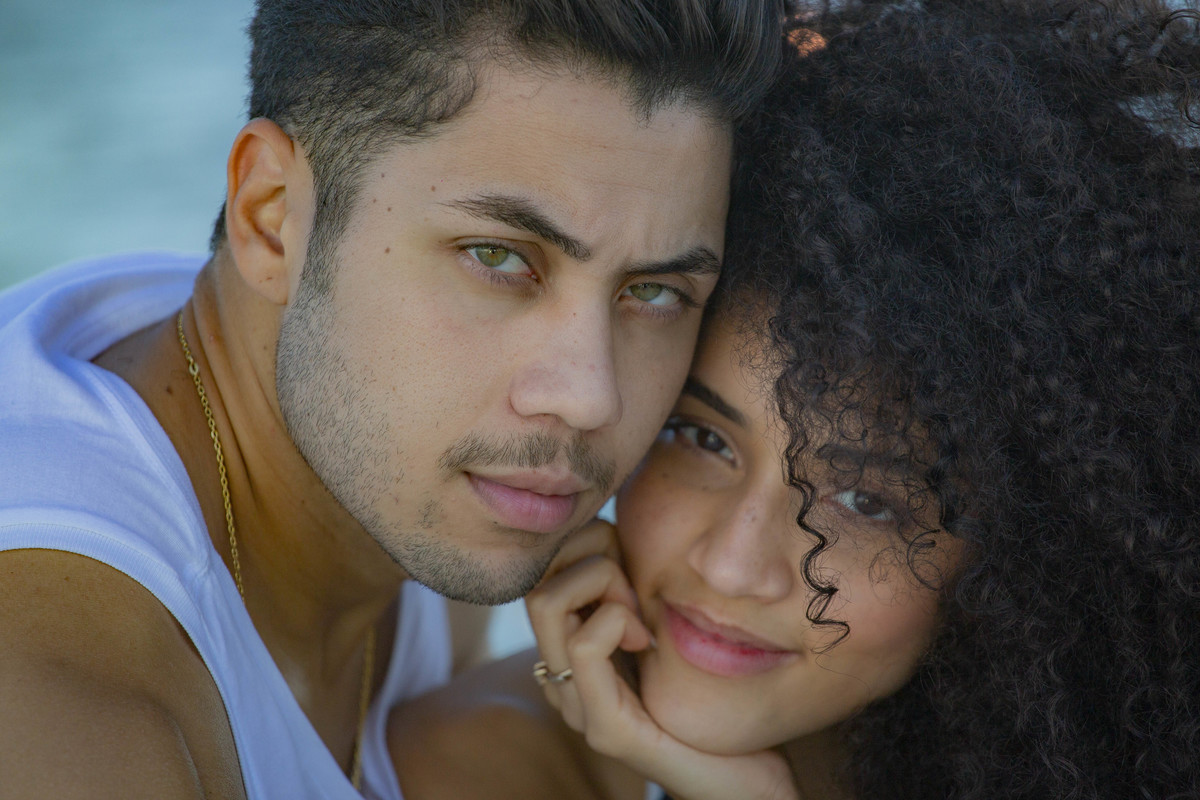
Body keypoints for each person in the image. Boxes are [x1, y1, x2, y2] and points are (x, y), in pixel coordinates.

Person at [387, 1, 1200, 798]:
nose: (730, 566)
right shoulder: (472, 769)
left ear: (1023, 563)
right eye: (702, 439)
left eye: (866, 501)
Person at [0, 2, 785, 798]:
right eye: (496, 257)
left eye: (653, 292)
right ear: (270, 220)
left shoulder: (401, 473)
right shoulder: (64, 704)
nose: (588, 397)